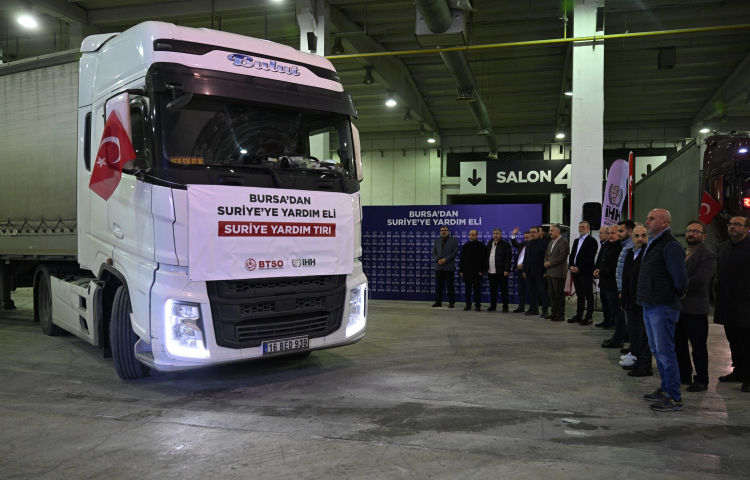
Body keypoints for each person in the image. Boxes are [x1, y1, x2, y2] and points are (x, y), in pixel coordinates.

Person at [638, 209, 688, 412]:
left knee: (666, 353)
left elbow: (680, 278)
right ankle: (666, 389)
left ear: (664, 222)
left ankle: (674, 397)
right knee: (657, 351)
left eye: (651, 219)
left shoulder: (670, 245)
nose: (647, 221)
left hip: (663, 306)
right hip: (650, 303)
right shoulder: (654, 243)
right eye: (647, 218)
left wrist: (674, 294)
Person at [675, 220, 716, 393]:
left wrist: (679, 287)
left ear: (704, 236)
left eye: (696, 231)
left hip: (696, 308)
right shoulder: (681, 252)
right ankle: (684, 375)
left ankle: (702, 380)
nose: (691, 234)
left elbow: (701, 278)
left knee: (698, 347)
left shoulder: (708, 255)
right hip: (678, 307)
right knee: (679, 344)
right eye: (689, 231)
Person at [713, 216, 750, 392]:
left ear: (747, 228)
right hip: (727, 303)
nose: (732, 227)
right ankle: (739, 371)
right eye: (730, 224)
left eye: (737, 224)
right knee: (733, 340)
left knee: (747, 342)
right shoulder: (722, 248)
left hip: (746, 305)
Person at [620, 225, 653, 377]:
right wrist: (624, 300)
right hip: (630, 302)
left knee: (643, 335)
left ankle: (645, 366)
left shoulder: (648, 254)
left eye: (643, 235)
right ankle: (637, 360)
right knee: (633, 334)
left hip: (642, 302)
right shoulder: (630, 253)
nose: (640, 239)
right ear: (632, 238)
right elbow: (625, 278)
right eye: (637, 236)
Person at [601, 220, 634, 348]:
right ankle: (621, 337)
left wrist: (621, 289)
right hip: (614, 284)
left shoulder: (627, 247)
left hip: (616, 286)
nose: (615, 235)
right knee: (617, 313)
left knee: (620, 314)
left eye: (620, 231)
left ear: (629, 232)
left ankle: (620, 338)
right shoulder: (621, 246)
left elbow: (618, 267)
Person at [568, 221, 598, 325]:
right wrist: (571, 266)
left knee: (588, 295)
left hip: (586, 272)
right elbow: (572, 255)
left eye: (583, 227)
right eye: (580, 227)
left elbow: (590, 258)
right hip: (576, 272)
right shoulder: (576, 241)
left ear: (588, 229)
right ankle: (579, 315)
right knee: (580, 295)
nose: (581, 228)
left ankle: (589, 317)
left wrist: (579, 268)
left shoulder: (592, 241)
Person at [544, 224, 569, 321]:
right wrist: (545, 262)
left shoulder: (564, 242)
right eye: (550, 230)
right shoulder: (551, 242)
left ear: (558, 231)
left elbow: (562, 257)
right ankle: (554, 312)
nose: (549, 232)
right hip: (550, 272)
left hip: (558, 272)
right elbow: (547, 255)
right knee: (551, 294)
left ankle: (561, 314)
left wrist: (550, 263)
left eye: (551, 230)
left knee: (558, 294)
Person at [459, 229, 487, 311]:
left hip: (477, 272)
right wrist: (461, 270)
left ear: (476, 236)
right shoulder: (465, 246)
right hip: (467, 271)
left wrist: (482, 270)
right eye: (470, 235)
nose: (471, 236)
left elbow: (484, 259)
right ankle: (468, 304)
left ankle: (477, 305)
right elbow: (462, 259)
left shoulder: (481, 246)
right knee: (467, 290)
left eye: (473, 235)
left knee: (477, 290)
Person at [524, 226, 549, 317]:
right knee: (532, 292)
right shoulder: (528, 244)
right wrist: (524, 271)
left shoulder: (544, 244)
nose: (532, 234)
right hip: (529, 271)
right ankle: (534, 309)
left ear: (539, 233)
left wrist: (545, 271)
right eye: (531, 232)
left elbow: (546, 258)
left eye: (534, 232)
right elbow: (526, 258)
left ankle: (545, 310)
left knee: (542, 292)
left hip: (540, 272)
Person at [431, 225, 458, 308]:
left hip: (449, 266)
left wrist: (445, 259)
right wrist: (437, 260)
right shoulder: (437, 241)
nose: (443, 232)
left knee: (450, 286)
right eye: (442, 230)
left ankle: (451, 302)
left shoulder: (454, 241)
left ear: (448, 231)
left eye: (445, 230)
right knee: (439, 286)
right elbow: (434, 252)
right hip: (439, 266)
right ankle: (438, 302)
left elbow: (455, 252)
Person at [486, 228, 512, 312]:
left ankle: (505, 306)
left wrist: (506, 269)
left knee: (503, 289)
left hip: (501, 271)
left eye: (497, 233)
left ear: (500, 235)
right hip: (491, 271)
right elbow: (486, 257)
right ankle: (493, 305)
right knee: (492, 289)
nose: (495, 235)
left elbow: (508, 258)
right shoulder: (489, 243)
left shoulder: (505, 244)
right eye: (494, 233)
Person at [511, 228, 531, 313]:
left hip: (528, 271)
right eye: (525, 238)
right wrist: (513, 235)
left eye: (527, 238)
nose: (525, 239)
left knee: (531, 290)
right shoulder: (522, 244)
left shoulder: (533, 246)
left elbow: (531, 258)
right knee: (521, 290)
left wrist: (522, 265)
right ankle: (521, 306)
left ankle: (533, 308)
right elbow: (514, 244)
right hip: (520, 271)